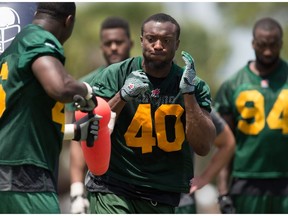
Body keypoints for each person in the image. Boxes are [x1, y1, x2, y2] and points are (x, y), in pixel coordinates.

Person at [85, 12, 216, 214]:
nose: (158, 45)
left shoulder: (192, 84)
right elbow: (93, 125)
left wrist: (188, 94)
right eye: (151, 39)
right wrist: (122, 95)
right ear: (141, 40)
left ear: (177, 44)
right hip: (114, 184)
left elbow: (203, 146)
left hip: (162, 190)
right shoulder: (117, 73)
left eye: (166, 40)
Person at [0, 2, 99, 213]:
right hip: (24, 175)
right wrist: (87, 91)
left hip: (12, 172)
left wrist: (74, 132)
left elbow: (21, 120)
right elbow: (60, 87)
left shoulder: (15, 50)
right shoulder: (38, 38)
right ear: (69, 21)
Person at [214, 17, 288, 213]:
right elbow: (224, 144)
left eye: (273, 45)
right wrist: (222, 192)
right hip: (246, 181)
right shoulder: (233, 84)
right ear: (253, 43)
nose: (268, 51)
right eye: (262, 45)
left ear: (281, 43)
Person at [68, 16, 134, 214]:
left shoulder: (144, 77)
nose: (113, 47)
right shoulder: (86, 85)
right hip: (103, 184)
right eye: (108, 43)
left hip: (143, 179)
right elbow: (79, 138)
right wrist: (77, 189)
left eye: (119, 42)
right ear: (101, 47)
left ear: (130, 44)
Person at [175, 108, 235, 213]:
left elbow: (227, 142)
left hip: (180, 202)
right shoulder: (139, 96)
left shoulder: (192, 101)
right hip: (141, 198)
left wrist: (204, 178)